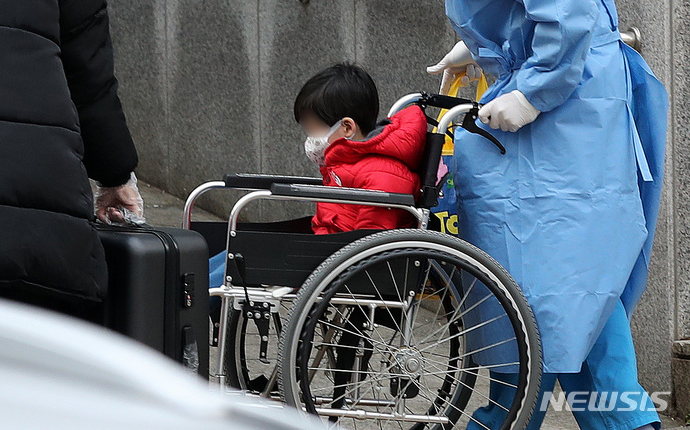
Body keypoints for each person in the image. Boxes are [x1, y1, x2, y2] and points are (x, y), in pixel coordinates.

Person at [427, 0, 667, 429]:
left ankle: (513, 417)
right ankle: (610, 419)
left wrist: (534, 89)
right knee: (565, 280)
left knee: (566, 278)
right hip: (553, 91)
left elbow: (568, 11)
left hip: (566, 99)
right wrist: (481, 44)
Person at [0, 0, 143, 322]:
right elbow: (89, 76)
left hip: (21, 154)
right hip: (24, 160)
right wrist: (115, 174)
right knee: (33, 326)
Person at [209, 63, 427, 309]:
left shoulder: (381, 172)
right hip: (323, 250)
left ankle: (186, 320)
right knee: (225, 257)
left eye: (312, 129)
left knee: (226, 273)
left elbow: (370, 241)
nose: (310, 139)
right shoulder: (351, 163)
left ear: (346, 127)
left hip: (333, 261)